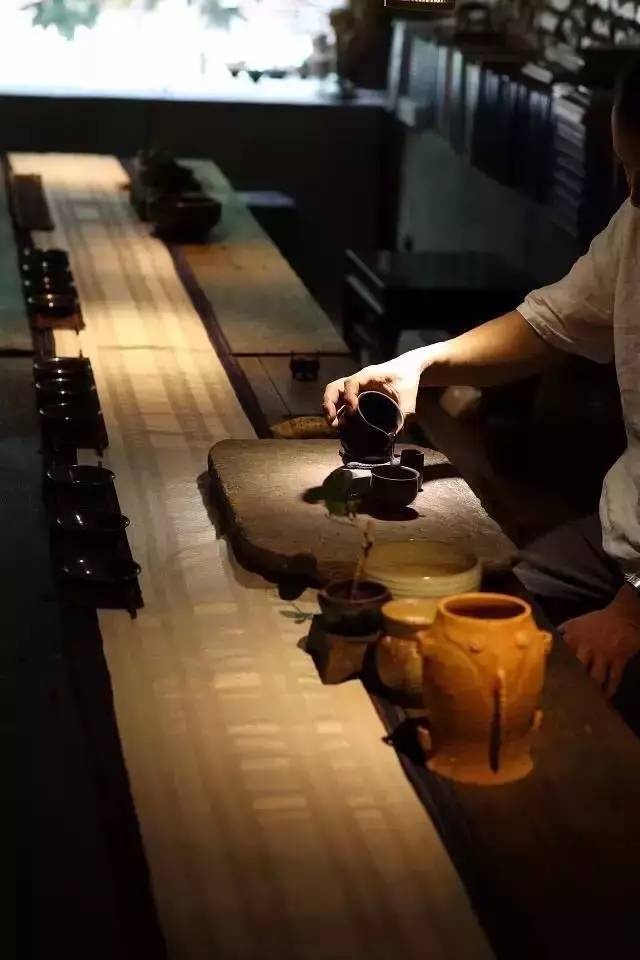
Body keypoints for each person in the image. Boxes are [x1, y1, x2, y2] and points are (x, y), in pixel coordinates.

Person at [323, 59, 640, 702]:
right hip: (622, 534)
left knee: (537, 690)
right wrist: (420, 364)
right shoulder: (637, 222)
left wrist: (631, 616)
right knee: (463, 607)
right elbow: (548, 324)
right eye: (626, 168)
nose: (634, 195)